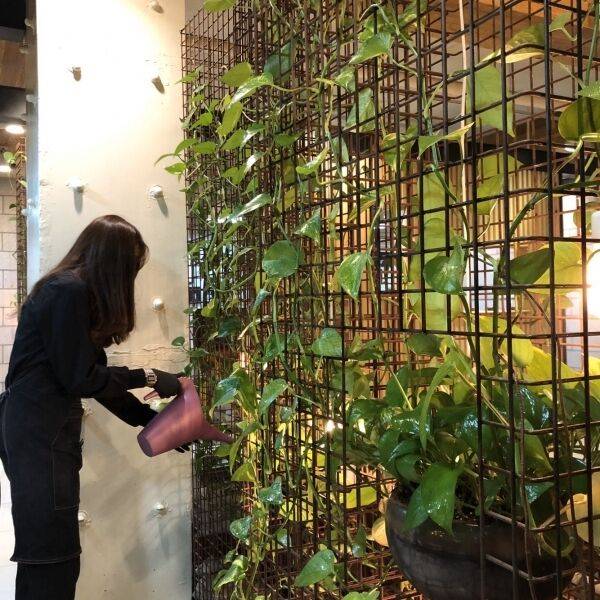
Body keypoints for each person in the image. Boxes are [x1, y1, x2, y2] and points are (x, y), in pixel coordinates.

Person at [0, 215, 183, 600]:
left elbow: (95, 379)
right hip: (39, 436)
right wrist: (150, 376)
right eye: (130, 267)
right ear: (113, 263)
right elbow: (82, 378)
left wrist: (152, 422)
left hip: (38, 431)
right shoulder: (67, 292)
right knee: (53, 559)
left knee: (46, 556)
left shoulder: (68, 292)